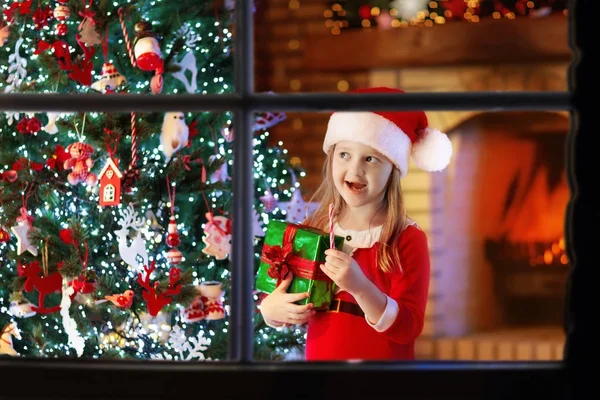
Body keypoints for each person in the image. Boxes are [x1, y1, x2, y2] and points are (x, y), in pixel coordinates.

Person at [259, 87, 453, 361]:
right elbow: (287, 297)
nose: (355, 170)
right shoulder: (314, 227)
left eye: (371, 159)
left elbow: (408, 328)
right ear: (331, 157)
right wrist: (272, 311)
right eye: (344, 154)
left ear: (393, 169)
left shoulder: (406, 238)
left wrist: (361, 287)